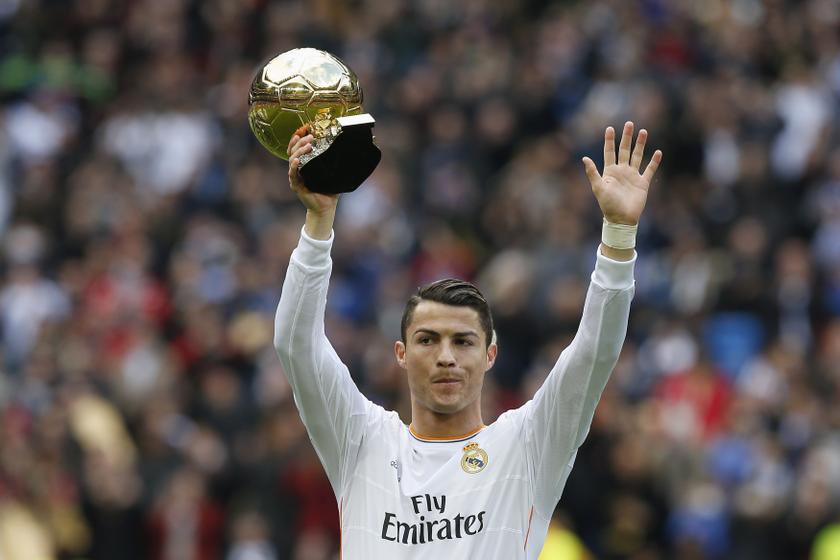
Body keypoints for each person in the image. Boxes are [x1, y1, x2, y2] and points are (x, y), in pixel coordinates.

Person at [274, 121, 662, 558]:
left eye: (463, 342)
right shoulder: (361, 440)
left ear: (490, 354)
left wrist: (618, 235)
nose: (446, 357)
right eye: (427, 340)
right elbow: (296, 345)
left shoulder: (527, 447)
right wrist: (318, 221)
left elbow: (594, 353)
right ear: (401, 354)